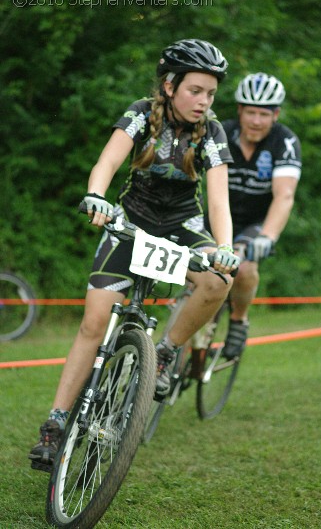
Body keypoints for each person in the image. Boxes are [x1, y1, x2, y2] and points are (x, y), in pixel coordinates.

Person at [29, 39, 240, 471]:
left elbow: (219, 201)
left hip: (183, 225)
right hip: (132, 221)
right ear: (169, 85)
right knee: (93, 324)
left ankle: (164, 352)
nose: (204, 101)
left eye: (211, 94)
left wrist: (224, 247)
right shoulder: (142, 112)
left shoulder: (212, 132)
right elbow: (108, 161)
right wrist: (96, 196)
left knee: (220, 280)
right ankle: (55, 423)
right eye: (195, 90)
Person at [221, 72, 302, 360]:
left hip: (255, 222)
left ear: (276, 114)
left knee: (244, 267)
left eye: (264, 114)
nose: (256, 120)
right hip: (218, 217)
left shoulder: (285, 142)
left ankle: (238, 320)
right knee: (196, 281)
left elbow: (284, 196)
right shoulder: (222, 133)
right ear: (240, 111)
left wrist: (267, 237)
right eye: (251, 112)